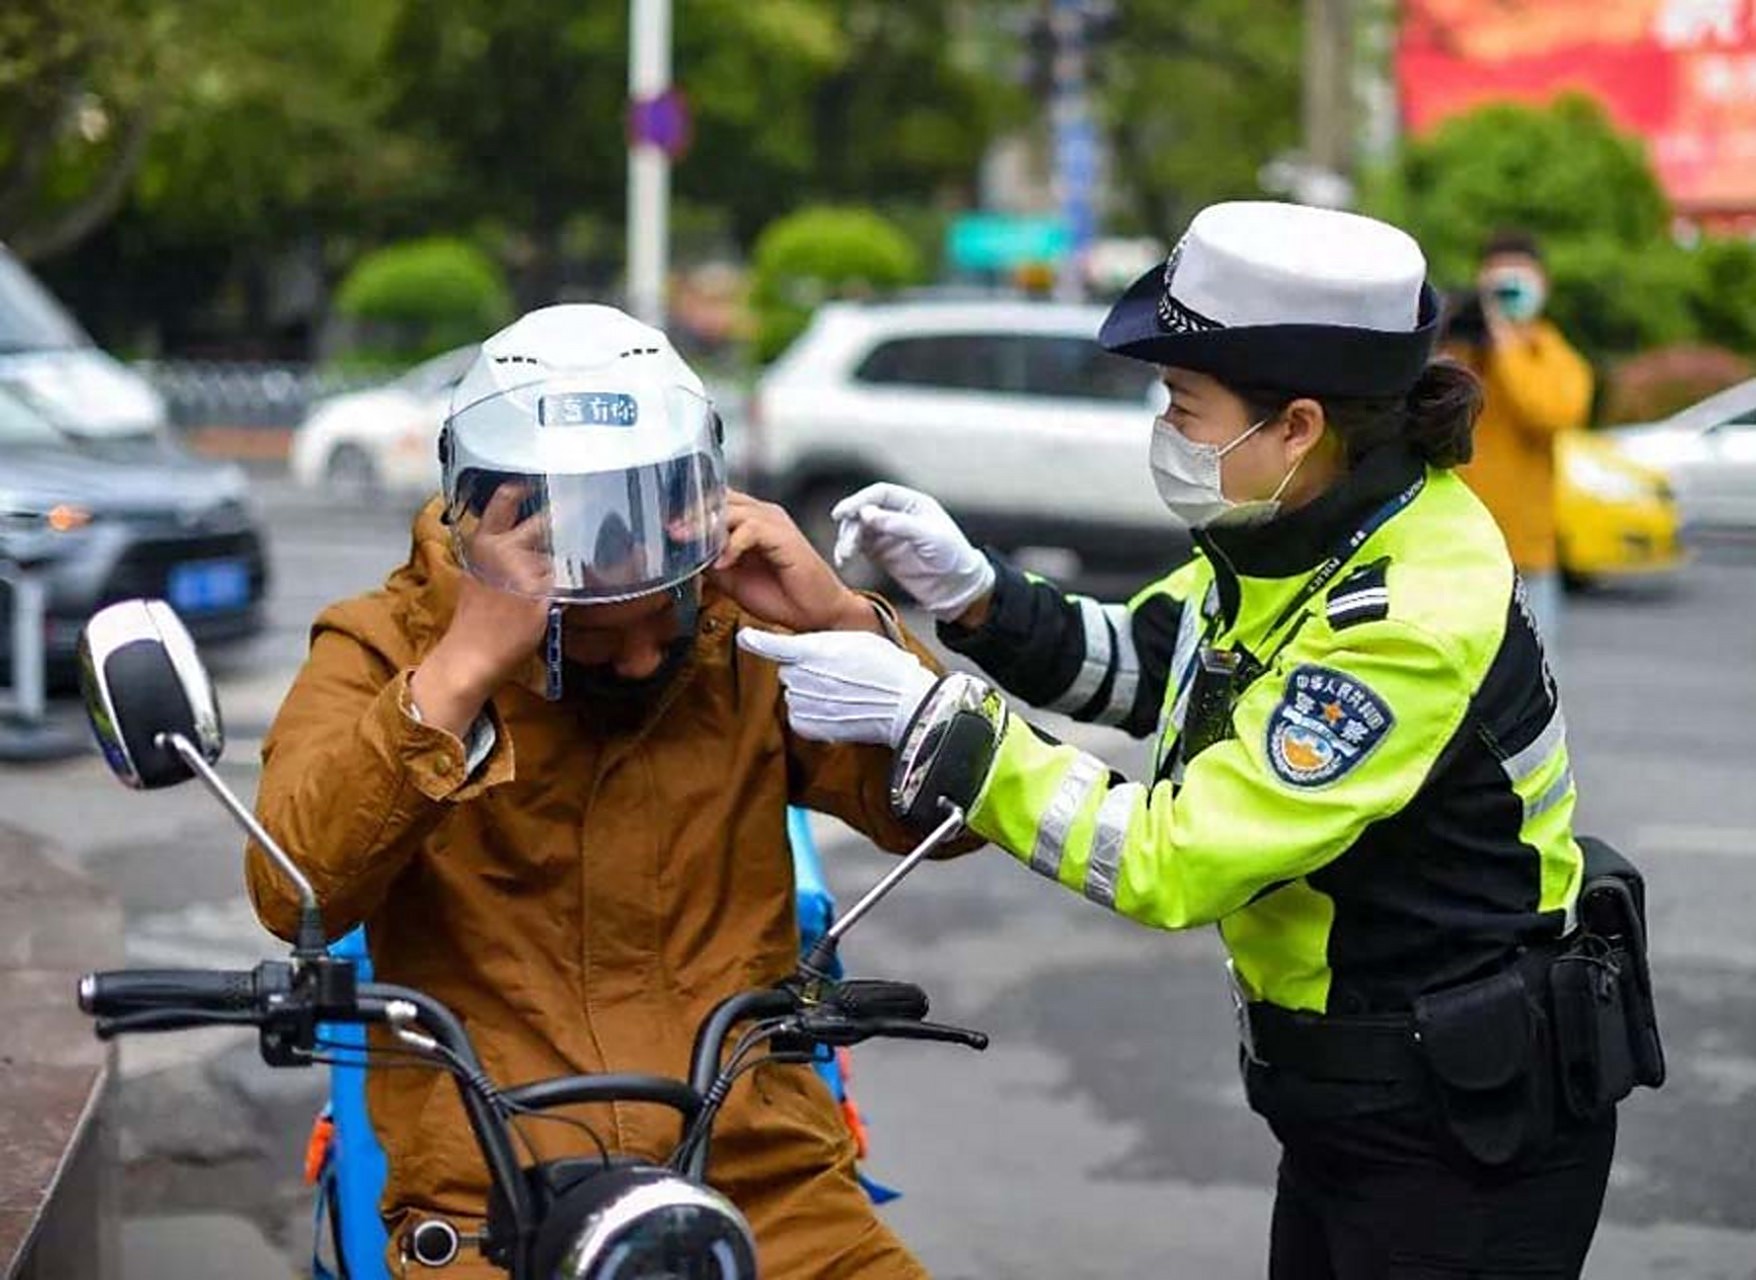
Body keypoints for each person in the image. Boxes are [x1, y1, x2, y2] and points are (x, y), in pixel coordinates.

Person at [740, 203, 1640, 1278]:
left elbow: (1173, 858)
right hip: (1365, 1102)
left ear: (1296, 424)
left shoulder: (1404, 614)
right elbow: (1148, 664)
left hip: (1458, 1141)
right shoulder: (1304, 530)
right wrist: (973, 592)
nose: (1165, 427)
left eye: (1183, 402)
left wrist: (928, 719)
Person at [245, 304, 961, 1279]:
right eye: (590, 636)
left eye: (662, 625)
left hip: (768, 1186)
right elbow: (295, 890)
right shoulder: (383, 645)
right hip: (496, 1208)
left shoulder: (739, 626)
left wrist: (842, 625)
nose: (636, 660)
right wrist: (456, 676)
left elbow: (949, 813)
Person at [1446, 229, 1594, 650]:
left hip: (1525, 554)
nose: (1507, 298)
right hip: (1454, 549)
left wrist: (1506, 344)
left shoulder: (1555, 357)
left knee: (1531, 677)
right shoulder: (1459, 353)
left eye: (1517, 283)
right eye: (1498, 287)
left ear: (1543, 284)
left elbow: (1550, 413)